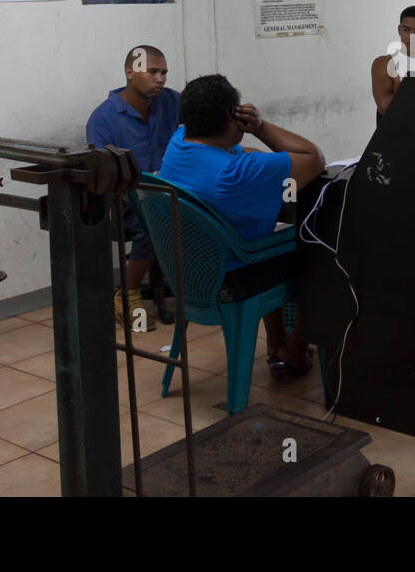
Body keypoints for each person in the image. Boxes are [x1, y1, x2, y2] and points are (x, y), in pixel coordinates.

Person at [157, 74, 326, 381]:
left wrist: (258, 159)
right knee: (319, 259)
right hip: (229, 279)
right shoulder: (233, 174)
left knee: (261, 239)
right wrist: (260, 127)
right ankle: (294, 353)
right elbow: (313, 158)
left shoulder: (179, 142)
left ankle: (275, 342)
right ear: (231, 117)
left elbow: (239, 153)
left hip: (186, 275)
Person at [86, 45, 180, 329]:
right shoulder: (103, 119)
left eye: (163, 72)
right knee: (156, 212)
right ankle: (128, 292)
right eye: (152, 71)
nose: (160, 79)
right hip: (124, 201)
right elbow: (101, 176)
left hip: (172, 192)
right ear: (130, 72)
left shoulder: (174, 103)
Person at [370, 5, 415, 126]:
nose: (411, 36)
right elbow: (383, 106)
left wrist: (401, 85)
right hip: (395, 136)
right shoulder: (384, 63)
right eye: (406, 29)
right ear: (399, 30)